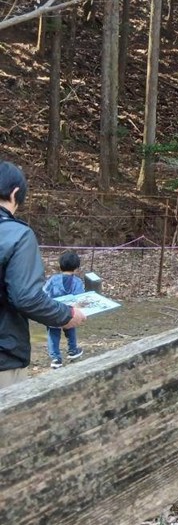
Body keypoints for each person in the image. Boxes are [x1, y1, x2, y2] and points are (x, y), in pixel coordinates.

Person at [0, 161, 86, 389]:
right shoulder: (18, 235)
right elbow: (26, 297)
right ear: (15, 193)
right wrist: (66, 314)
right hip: (4, 356)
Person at [43, 250, 86, 369]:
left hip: (54, 311)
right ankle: (73, 350)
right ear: (76, 267)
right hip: (69, 312)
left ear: (60, 265)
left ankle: (56, 358)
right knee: (71, 329)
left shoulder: (53, 279)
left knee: (53, 334)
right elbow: (81, 298)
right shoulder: (77, 281)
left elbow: (44, 292)